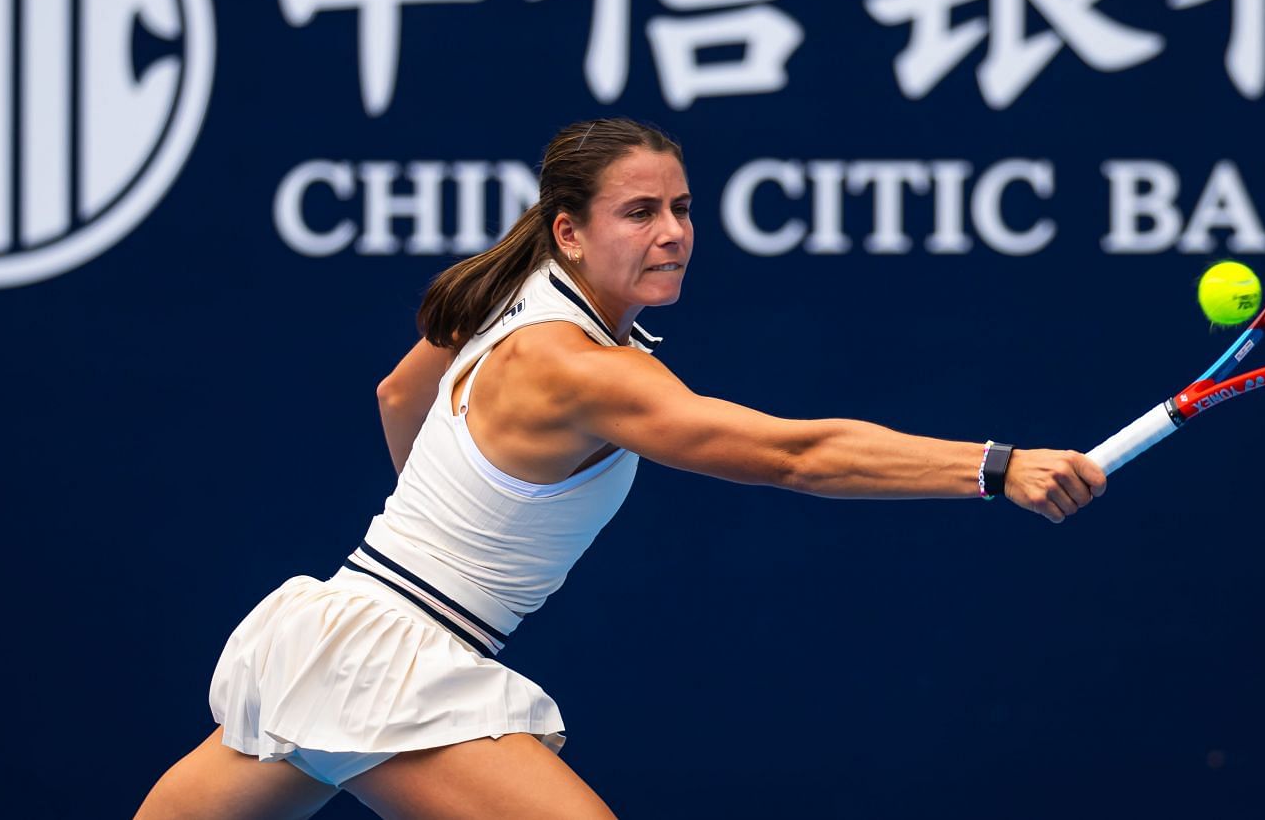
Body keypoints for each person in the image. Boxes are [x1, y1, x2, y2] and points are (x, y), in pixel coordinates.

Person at [134, 118, 1107, 820]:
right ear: (569, 229)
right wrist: (996, 465)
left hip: (347, 625)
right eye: (639, 211)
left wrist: (454, 518)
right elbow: (792, 453)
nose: (673, 230)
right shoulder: (581, 367)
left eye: (681, 207)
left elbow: (400, 395)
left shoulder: (510, 298)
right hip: (395, 656)